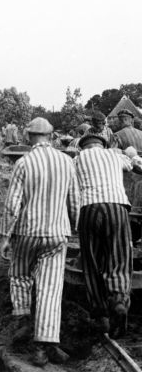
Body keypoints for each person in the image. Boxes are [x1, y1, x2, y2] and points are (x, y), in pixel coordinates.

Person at [0, 117, 80, 367]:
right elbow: (75, 201)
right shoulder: (67, 162)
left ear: (28, 137)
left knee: (20, 274)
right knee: (50, 289)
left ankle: (23, 318)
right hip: (57, 234)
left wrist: (4, 236)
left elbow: (12, 205)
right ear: (51, 136)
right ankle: (42, 348)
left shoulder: (23, 163)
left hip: (27, 232)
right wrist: (75, 228)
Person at [75, 133, 132, 338]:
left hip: (89, 208)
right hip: (117, 206)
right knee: (119, 256)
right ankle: (118, 300)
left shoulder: (77, 159)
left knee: (91, 262)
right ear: (102, 145)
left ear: (83, 147)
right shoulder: (114, 155)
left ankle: (101, 314)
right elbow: (132, 163)